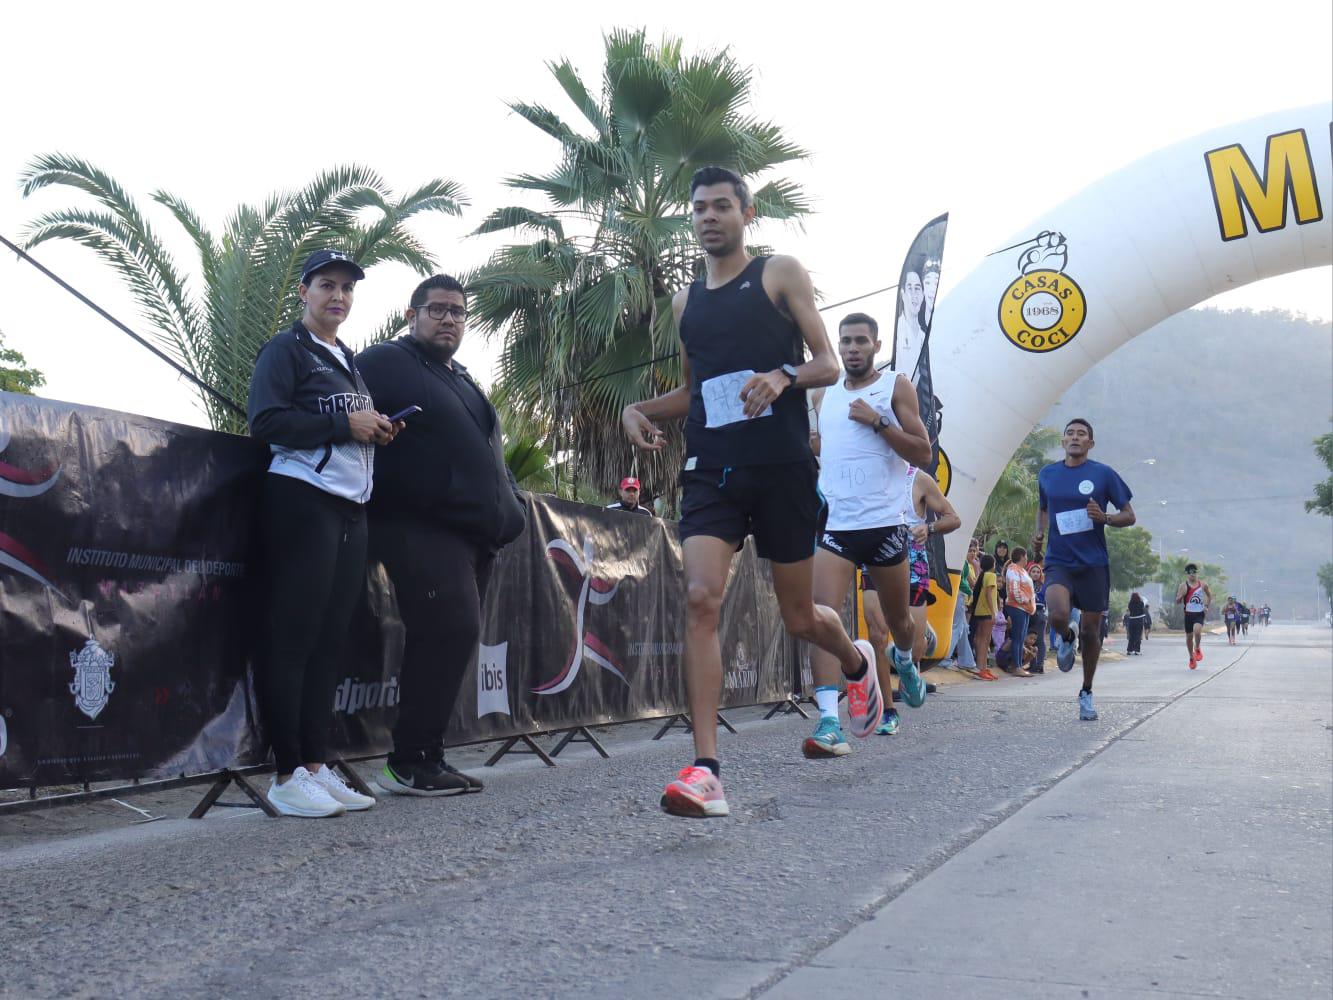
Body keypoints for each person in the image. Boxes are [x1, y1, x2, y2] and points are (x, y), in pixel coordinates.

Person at [621, 166, 875, 818]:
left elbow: (824, 361)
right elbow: (695, 390)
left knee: (800, 618)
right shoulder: (686, 303)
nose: (708, 217)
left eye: (721, 207)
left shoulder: (777, 273)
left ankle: (852, 661)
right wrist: (638, 408)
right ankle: (706, 770)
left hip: (782, 468)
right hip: (711, 470)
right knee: (701, 598)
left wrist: (782, 374)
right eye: (699, 208)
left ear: (746, 213)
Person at [357, 274, 527, 796]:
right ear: (412, 315)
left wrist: (512, 501)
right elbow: (342, 406)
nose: (449, 318)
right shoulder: (383, 361)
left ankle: (427, 756)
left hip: (475, 533)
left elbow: (486, 450)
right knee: (450, 627)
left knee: (450, 637)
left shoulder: (463, 379)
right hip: (417, 525)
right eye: (437, 309)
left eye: (457, 311)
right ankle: (407, 761)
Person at [247, 249, 398, 818]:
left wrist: (377, 427)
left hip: (351, 508)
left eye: (347, 289)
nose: (338, 296)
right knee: (294, 639)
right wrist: (344, 423)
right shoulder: (285, 350)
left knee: (329, 640)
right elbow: (265, 422)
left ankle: (316, 762)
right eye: (327, 286)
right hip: (300, 501)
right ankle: (286, 773)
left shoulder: (347, 359)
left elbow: (348, 425)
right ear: (304, 292)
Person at [804, 312, 932, 756]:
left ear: (876, 345)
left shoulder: (895, 386)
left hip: (884, 527)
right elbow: (826, 447)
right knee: (821, 617)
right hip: (837, 526)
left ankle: (904, 660)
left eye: (861, 341)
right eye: (846, 341)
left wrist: (878, 423)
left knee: (898, 623)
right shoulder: (824, 394)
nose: (852, 348)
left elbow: (923, 451)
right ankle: (827, 721)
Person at [1033, 418, 1136, 722]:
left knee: (1092, 633)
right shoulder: (1048, 474)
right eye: (1070, 433)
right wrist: (1038, 535)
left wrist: (1104, 517)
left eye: (1082, 434)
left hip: (1093, 563)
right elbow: (1042, 509)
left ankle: (1087, 691)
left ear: (1090, 444)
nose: (1075, 438)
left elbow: (1129, 516)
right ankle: (1066, 637)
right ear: (1063, 441)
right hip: (1059, 559)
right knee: (1058, 615)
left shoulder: (1103, 474)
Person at [905, 465, 962, 669]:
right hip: (878, 555)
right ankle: (883, 696)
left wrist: (928, 528)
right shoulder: (869, 472)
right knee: (876, 630)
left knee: (914, 646)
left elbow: (954, 519)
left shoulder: (918, 478)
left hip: (912, 560)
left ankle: (914, 658)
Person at [1002, 546, 1037, 676]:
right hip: (1018, 607)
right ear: (1021, 556)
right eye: (1026, 556)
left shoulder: (1022, 570)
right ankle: (1016, 666)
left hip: (1025, 608)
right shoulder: (1013, 569)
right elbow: (1014, 589)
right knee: (1017, 637)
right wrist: (1024, 600)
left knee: (1021, 638)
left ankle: (1017, 665)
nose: (1027, 558)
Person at [1174, 564, 1212, 668]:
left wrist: (1206, 606)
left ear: (1196, 573)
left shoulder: (1203, 585)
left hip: (1199, 613)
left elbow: (1209, 595)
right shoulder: (1183, 585)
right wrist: (1181, 596)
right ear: (1187, 574)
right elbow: (1177, 601)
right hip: (1188, 614)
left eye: (1194, 572)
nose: (1192, 575)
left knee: (1197, 631)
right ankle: (1191, 657)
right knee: (1189, 637)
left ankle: (1198, 648)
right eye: (1190, 573)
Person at [969, 553, 1000, 681]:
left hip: (980, 610)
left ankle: (982, 667)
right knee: (984, 640)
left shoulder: (983, 575)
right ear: (993, 565)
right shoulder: (991, 575)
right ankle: (981, 668)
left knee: (981, 639)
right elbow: (988, 593)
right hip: (987, 611)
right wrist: (993, 612)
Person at [1028, 559, 1048, 672]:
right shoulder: (1026, 583)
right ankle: (1032, 664)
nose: (1036, 574)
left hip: (1040, 612)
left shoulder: (1044, 585)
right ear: (1029, 573)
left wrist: (1046, 614)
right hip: (1029, 612)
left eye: (1038, 572)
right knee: (1030, 640)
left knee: (1039, 639)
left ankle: (1039, 665)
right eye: (1033, 571)